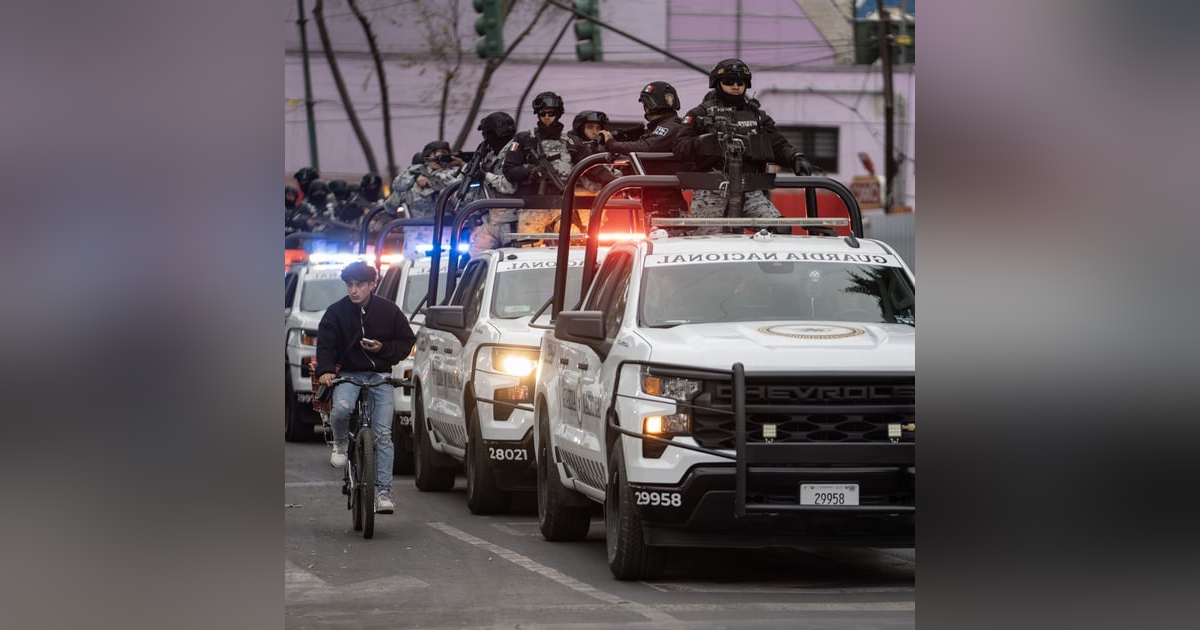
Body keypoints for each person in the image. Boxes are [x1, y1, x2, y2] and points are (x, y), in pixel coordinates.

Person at [315, 261, 417, 514]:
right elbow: (325, 344)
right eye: (349, 285)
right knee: (340, 410)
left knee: (383, 435)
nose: (353, 290)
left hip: (381, 376)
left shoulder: (389, 311)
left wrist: (383, 349)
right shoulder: (335, 313)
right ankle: (340, 444)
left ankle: (383, 493)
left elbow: (406, 341)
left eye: (359, 285)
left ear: (373, 284)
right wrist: (326, 370)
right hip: (349, 375)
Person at [673, 59, 815, 233]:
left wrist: (795, 157)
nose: (735, 86)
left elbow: (777, 144)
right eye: (729, 82)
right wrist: (705, 142)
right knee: (706, 241)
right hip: (711, 190)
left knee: (780, 229)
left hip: (750, 189)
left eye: (740, 82)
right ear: (717, 83)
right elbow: (680, 147)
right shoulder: (700, 114)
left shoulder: (757, 116)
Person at [599, 81, 689, 227]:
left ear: (650, 105)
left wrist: (612, 144)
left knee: (664, 242)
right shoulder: (661, 128)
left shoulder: (670, 127)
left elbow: (646, 147)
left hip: (665, 203)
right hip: (655, 200)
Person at [502, 92, 574, 235]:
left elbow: (587, 166)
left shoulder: (571, 141)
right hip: (533, 205)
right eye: (543, 113)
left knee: (574, 246)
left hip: (562, 205)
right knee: (529, 250)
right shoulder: (525, 139)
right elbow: (509, 169)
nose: (547, 117)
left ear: (558, 114)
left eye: (551, 113)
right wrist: (531, 173)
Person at [386, 141, 465, 258]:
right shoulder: (411, 176)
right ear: (429, 155)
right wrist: (415, 176)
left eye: (445, 153)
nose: (443, 157)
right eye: (439, 153)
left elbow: (465, 201)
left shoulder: (453, 175)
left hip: (446, 236)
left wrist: (462, 166)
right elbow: (391, 203)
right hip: (416, 236)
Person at [466, 112, 521, 254]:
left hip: (511, 221)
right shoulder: (490, 155)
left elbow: (510, 186)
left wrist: (485, 175)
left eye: (487, 133)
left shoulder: (515, 153)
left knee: (510, 261)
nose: (485, 138)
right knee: (472, 260)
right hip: (490, 220)